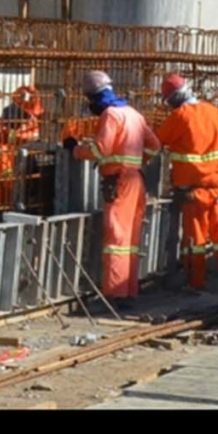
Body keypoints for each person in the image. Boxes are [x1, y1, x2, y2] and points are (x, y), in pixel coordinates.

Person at [73, 70, 160, 300]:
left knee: (116, 238)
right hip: (136, 180)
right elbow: (155, 146)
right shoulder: (133, 113)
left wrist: (76, 150)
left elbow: (100, 149)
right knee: (130, 238)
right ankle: (130, 290)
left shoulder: (111, 115)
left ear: (94, 96)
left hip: (119, 182)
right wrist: (138, 161)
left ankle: (116, 293)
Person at [154, 74, 218, 289]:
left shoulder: (179, 116)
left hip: (193, 190)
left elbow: (156, 142)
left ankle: (196, 282)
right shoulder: (214, 112)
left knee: (196, 240)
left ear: (173, 98)